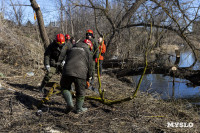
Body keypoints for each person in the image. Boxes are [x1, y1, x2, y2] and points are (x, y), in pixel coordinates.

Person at [60, 39, 93, 114]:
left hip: (67, 71)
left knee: (64, 87)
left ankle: (70, 104)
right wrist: (89, 78)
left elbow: (64, 58)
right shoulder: (88, 51)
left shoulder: (71, 48)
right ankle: (79, 109)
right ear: (89, 46)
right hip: (81, 73)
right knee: (80, 92)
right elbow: (91, 66)